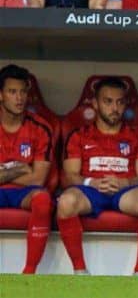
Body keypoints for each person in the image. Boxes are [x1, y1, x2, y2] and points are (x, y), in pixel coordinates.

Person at [56, 77, 138, 275]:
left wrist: (125, 182)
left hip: (125, 191)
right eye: (108, 101)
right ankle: (80, 272)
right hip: (89, 191)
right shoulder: (79, 135)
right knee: (66, 202)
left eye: (120, 102)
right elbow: (69, 175)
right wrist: (92, 182)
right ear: (95, 104)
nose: (115, 108)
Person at [0, 64, 53, 274]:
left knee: (42, 199)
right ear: (1, 95)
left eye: (23, 92)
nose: (19, 98)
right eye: (12, 92)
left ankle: (30, 272)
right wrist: (19, 169)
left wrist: (3, 171)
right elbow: (29, 174)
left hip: (24, 194)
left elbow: (38, 179)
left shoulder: (40, 128)